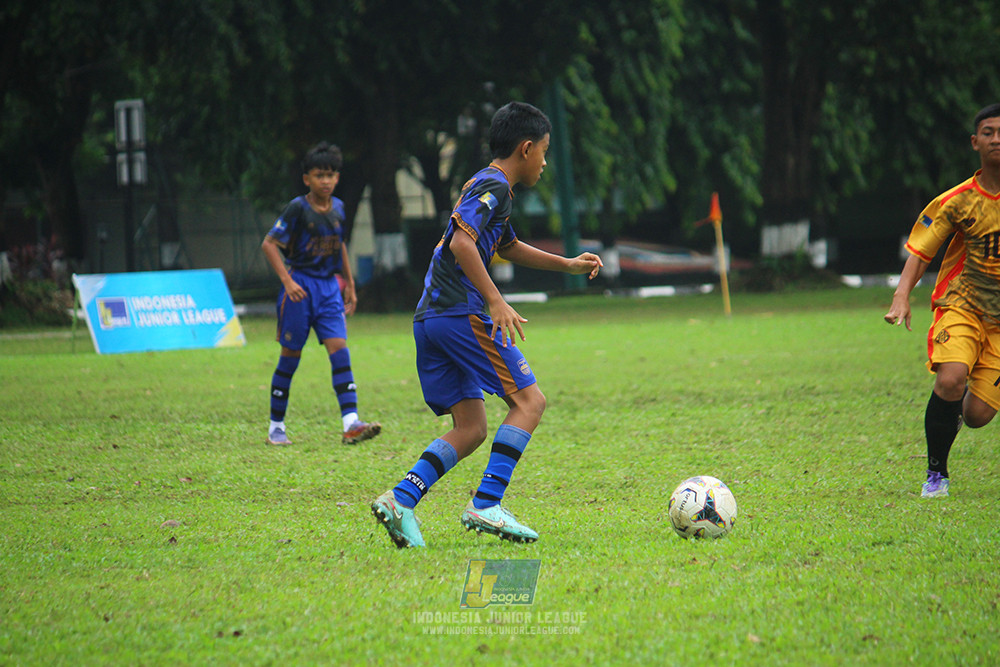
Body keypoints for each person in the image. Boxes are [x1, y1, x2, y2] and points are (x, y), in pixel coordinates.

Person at [370, 101, 603, 548]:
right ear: (527, 147)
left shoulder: (489, 186)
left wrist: (568, 265)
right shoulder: (494, 185)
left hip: (432, 318)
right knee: (530, 401)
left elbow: (508, 246)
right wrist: (495, 300)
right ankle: (486, 502)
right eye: (545, 151)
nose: (545, 162)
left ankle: (401, 500)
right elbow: (462, 242)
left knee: (471, 426)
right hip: (461, 315)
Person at [884, 103, 1000, 498]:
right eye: (988, 132)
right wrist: (902, 297)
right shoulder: (957, 201)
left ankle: (957, 406)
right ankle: (937, 475)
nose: (996, 138)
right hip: (962, 307)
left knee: (977, 415)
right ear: (974, 142)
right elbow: (920, 251)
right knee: (950, 378)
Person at [261, 142, 381, 446]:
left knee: (340, 351)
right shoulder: (297, 208)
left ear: (337, 178)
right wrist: (288, 282)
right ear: (307, 179)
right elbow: (269, 244)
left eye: (330, 175)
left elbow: (339, 244)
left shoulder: (339, 208)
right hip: (300, 288)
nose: (325, 181)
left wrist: (349, 282)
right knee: (290, 357)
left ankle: (351, 423)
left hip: (329, 288)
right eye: (319, 175)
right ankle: (276, 427)